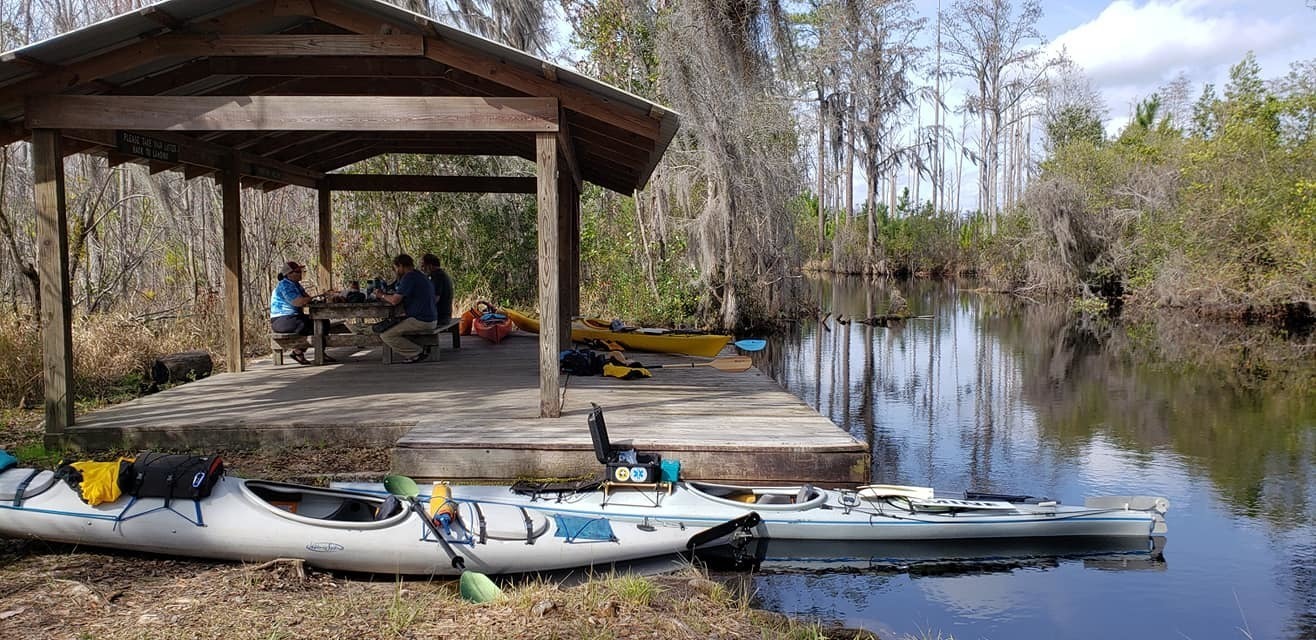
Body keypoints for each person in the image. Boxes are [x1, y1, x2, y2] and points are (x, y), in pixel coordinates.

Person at [374, 253, 437, 364]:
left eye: (396, 268)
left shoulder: (409, 277)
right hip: (430, 318)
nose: (396, 271)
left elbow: (394, 301)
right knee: (391, 325)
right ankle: (416, 350)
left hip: (421, 320)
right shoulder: (419, 275)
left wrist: (381, 295)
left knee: (387, 335)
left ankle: (417, 352)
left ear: (401, 266)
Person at [269, 261, 335, 365]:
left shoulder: (296, 285)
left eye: (301, 271)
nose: (300, 273)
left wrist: (316, 298)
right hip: (282, 320)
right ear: (289, 274)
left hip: (293, 318)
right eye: (297, 271)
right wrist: (311, 298)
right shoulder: (285, 285)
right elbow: (298, 302)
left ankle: (304, 352)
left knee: (323, 322)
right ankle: (304, 352)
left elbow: (306, 297)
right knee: (313, 325)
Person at [419, 253, 455, 325]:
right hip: (445, 316)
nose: (421, 269)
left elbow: (435, 299)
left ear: (430, 266)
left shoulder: (438, 277)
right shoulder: (441, 275)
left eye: (423, 266)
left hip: (441, 317)